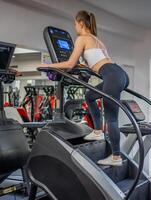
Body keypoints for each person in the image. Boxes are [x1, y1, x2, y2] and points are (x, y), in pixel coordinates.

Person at [39, 10, 129, 166]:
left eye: (75, 24)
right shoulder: (96, 40)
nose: (74, 27)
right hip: (119, 74)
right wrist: (79, 76)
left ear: (81, 23)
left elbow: (69, 64)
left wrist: (47, 66)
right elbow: (89, 69)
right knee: (90, 96)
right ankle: (98, 131)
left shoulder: (82, 38)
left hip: (112, 76)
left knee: (112, 119)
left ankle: (116, 157)